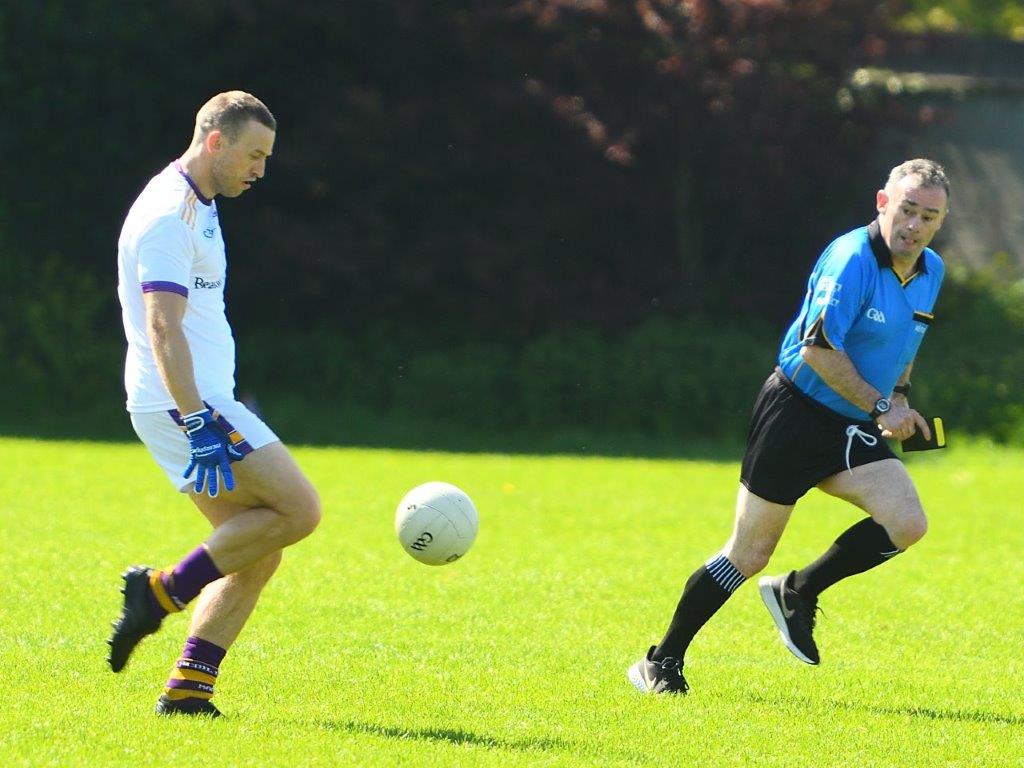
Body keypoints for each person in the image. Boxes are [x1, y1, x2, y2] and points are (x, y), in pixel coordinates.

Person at [628, 159, 949, 694]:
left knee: (907, 523)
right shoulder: (851, 259)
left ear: (941, 222)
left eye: (928, 217)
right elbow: (819, 350)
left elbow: (907, 342)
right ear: (882, 203)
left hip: (852, 422)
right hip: (795, 414)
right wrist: (879, 407)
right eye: (907, 210)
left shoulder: (930, 269)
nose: (914, 225)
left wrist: (898, 397)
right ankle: (661, 659)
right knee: (749, 554)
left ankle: (799, 591)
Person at [109, 91, 321, 717]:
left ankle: (189, 688)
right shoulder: (169, 214)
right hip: (188, 403)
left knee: (255, 543)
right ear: (215, 142)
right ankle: (159, 593)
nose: (261, 169)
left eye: (268, 157)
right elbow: (163, 328)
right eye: (254, 155)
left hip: (186, 401)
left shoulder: (197, 203)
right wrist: (199, 421)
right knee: (301, 510)